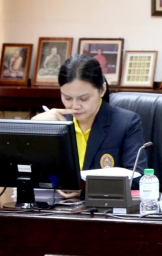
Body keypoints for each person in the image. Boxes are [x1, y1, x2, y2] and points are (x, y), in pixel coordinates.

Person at [31, 55, 147, 193]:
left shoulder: (126, 123)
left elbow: (137, 179)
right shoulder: (56, 123)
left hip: (101, 205)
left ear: (102, 89)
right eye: (67, 98)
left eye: (84, 98)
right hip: (57, 203)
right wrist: (34, 130)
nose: (75, 106)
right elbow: (37, 173)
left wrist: (83, 188)